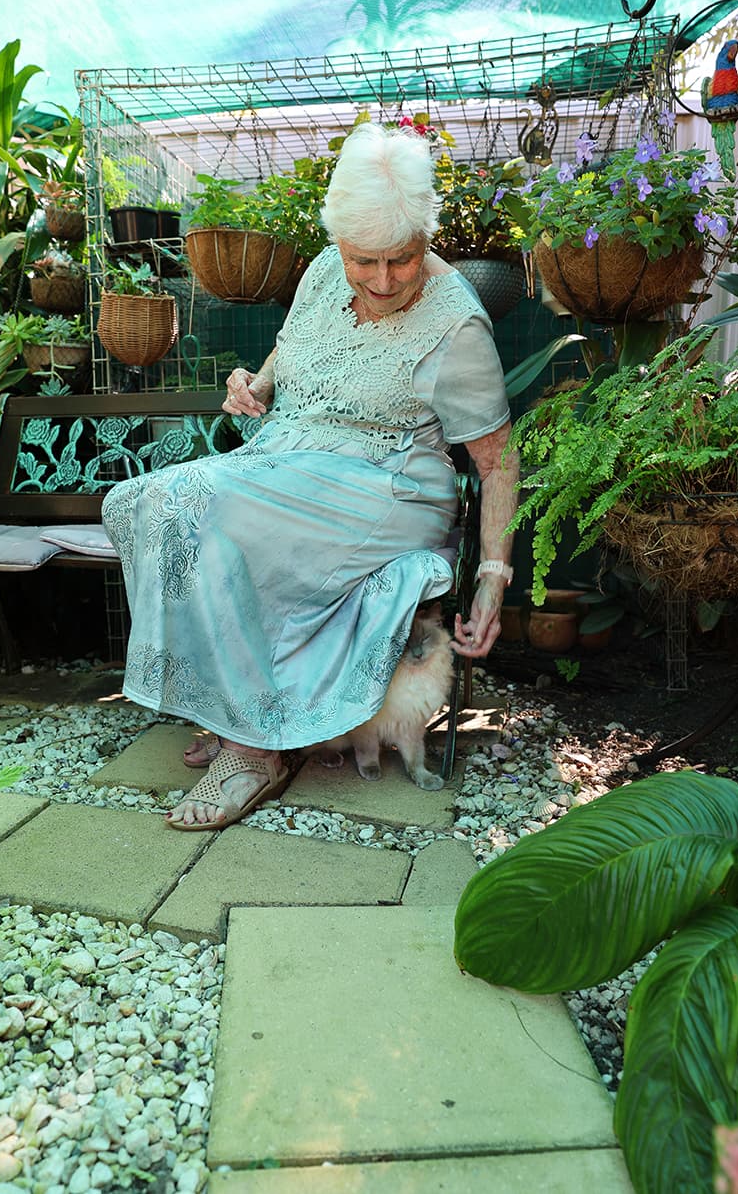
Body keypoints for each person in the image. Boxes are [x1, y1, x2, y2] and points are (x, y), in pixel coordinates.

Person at [101, 122, 519, 831]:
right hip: (291, 460)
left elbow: (497, 458)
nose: (382, 280)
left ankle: (254, 746)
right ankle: (229, 701)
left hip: (387, 486)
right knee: (144, 500)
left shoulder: (458, 326)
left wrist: (493, 578)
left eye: (402, 259)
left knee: (204, 502)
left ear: (424, 237)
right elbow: (288, 356)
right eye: (365, 261)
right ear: (338, 243)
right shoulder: (324, 270)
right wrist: (253, 386)